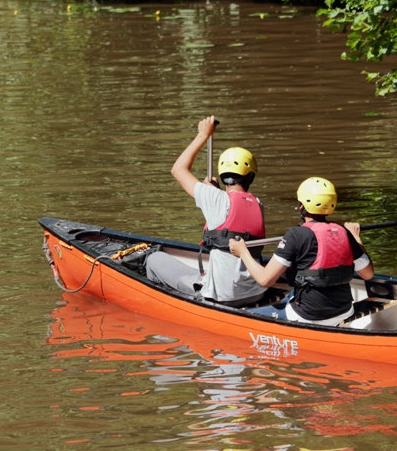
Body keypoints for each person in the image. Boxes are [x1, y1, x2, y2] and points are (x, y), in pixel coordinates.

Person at [145, 116, 267, 307]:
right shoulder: (257, 203)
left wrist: (203, 135)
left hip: (224, 297)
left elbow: (178, 169)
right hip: (257, 293)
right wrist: (213, 191)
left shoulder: (215, 198)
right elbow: (232, 211)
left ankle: (169, 306)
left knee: (153, 259)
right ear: (251, 176)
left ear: (221, 174)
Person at [228, 177, 374, 326]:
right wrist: (356, 238)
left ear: (301, 206)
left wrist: (243, 252)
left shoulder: (296, 235)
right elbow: (368, 274)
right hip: (344, 310)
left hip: (308, 316)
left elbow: (265, 280)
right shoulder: (344, 232)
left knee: (242, 317)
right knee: (292, 294)